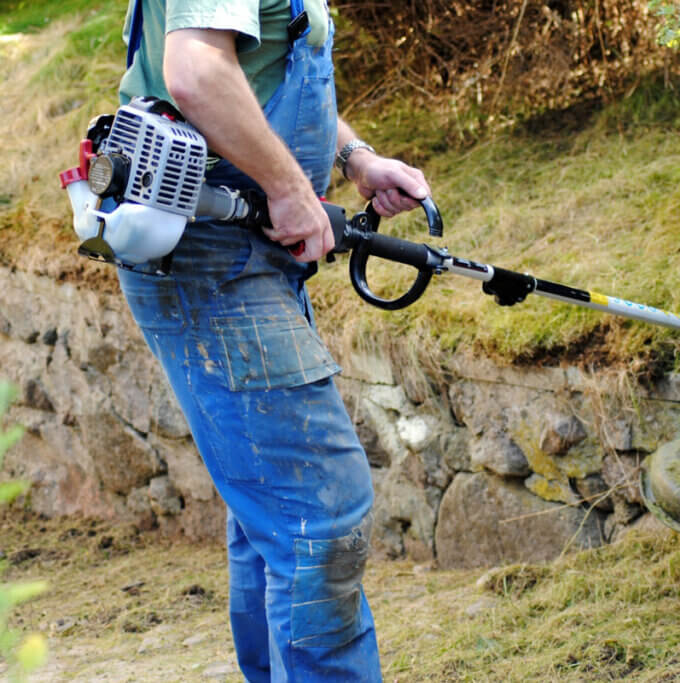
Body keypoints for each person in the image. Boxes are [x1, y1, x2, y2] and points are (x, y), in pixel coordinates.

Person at [115, 0, 431, 680]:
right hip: (212, 255)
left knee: (273, 516)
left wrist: (354, 157)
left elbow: (254, 68)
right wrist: (289, 187)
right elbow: (197, 70)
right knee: (318, 510)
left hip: (247, 254)